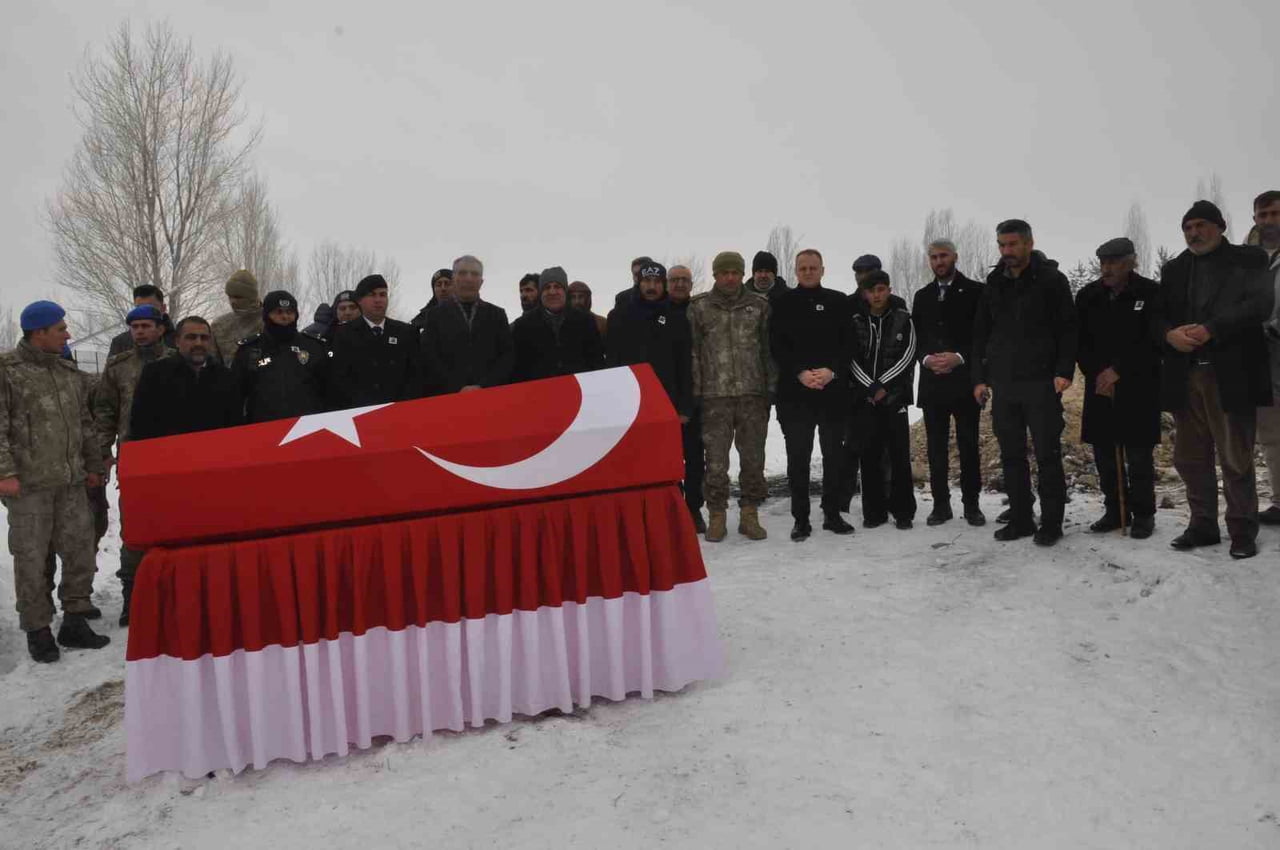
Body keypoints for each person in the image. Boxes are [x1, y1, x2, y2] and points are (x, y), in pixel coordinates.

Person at [1157, 200, 1274, 559]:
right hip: (1186, 374)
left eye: (1201, 225)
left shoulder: (1249, 259)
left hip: (1231, 374)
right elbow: (1157, 316)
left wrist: (1212, 328)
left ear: (1220, 227)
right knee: (1191, 459)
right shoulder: (1174, 269)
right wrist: (1169, 335)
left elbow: (1260, 305)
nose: (1194, 233)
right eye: (1188, 227)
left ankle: (1242, 529)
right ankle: (1202, 525)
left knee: (1235, 457)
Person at [1, 301, 110, 662]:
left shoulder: (67, 372)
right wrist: (5, 472)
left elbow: (85, 424)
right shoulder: (8, 372)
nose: (67, 334)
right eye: (60, 329)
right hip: (29, 487)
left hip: (71, 483)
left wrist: (93, 465)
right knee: (31, 559)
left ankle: (75, 619)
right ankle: (37, 629)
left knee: (81, 550)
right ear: (39, 332)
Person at [973, 219, 1077, 546]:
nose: (1007, 251)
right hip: (1004, 384)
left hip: (1041, 382)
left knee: (1047, 454)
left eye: (1012, 244)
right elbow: (981, 334)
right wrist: (979, 379)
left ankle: (1052, 523)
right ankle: (1020, 519)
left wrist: (1064, 370)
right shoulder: (994, 283)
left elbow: (1068, 329)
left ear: (1029, 244)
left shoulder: (1051, 280)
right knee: (1011, 455)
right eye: (1002, 245)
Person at [1075, 238, 1162, 540]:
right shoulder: (1089, 296)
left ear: (1130, 262)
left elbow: (1153, 341)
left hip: (1139, 386)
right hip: (1100, 386)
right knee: (1104, 454)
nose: (1107, 268)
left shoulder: (1150, 293)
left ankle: (1144, 514)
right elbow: (1079, 341)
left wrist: (1119, 371)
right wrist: (1098, 372)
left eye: (1113, 262)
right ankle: (1114, 509)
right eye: (1103, 262)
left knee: (1138, 455)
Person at [93, 304, 173, 625]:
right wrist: (103, 452)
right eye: (135, 326)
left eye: (146, 326)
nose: (139, 332)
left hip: (175, 458)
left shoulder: (177, 362)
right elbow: (105, 413)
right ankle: (133, 596)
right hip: (135, 458)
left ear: (160, 329)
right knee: (135, 529)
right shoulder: (118, 367)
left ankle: (172, 592)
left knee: (175, 524)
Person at [689, 251, 776, 542]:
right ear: (715, 275)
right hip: (714, 398)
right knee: (715, 462)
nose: (729, 278)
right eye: (724, 273)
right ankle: (717, 514)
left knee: (753, 459)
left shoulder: (759, 306)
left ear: (742, 274)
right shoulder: (699, 308)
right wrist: (697, 391)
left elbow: (768, 350)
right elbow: (693, 353)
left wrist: (770, 388)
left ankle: (749, 514)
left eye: (735, 272)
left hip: (752, 395)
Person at [769, 248, 854, 540]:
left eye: (813, 267)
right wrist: (800, 372)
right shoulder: (782, 303)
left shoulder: (838, 301)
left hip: (832, 393)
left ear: (822, 270)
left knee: (833, 456)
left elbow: (849, 344)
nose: (808, 272)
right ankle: (801, 519)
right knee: (798, 459)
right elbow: (776, 345)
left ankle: (832, 514)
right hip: (795, 395)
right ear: (796, 271)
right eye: (803, 268)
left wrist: (832, 371)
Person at [912, 240, 986, 526]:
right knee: (936, 449)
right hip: (933, 383)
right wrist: (926, 359)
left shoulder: (976, 291)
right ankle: (941, 505)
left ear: (955, 256)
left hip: (965, 382)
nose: (939, 261)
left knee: (968, 447)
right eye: (933, 257)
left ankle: (972, 505)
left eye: (943, 256)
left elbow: (981, 336)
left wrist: (959, 357)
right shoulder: (922, 296)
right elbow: (916, 338)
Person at [849, 271, 917, 529]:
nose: (876, 295)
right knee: (869, 456)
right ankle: (874, 512)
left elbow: (908, 355)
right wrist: (870, 387)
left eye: (881, 289)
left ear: (889, 290)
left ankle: (903, 512)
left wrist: (883, 385)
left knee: (899, 457)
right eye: (871, 291)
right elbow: (851, 358)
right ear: (864, 294)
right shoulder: (856, 321)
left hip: (895, 399)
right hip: (866, 399)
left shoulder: (903, 319)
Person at [605, 261, 693, 436]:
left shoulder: (678, 319)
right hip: (629, 401)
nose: (652, 287)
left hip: (666, 400)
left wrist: (684, 408)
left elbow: (684, 365)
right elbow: (612, 362)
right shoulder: (618, 316)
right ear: (639, 283)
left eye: (657, 281)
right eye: (647, 281)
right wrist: (612, 402)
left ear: (664, 284)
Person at [130, 316, 244, 440]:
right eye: (191, 337)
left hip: (216, 449)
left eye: (204, 338)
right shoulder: (155, 374)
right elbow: (140, 424)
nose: (198, 343)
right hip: (167, 450)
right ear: (177, 341)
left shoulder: (226, 377)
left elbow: (235, 426)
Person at [232, 290, 331, 424]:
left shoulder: (314, 346)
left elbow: (329, 390)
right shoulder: (249, 350)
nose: (285, 316)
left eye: (289, 312)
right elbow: (236, 395)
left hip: (308, 427)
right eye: (278, 312)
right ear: (266, 315)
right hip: (263, 428)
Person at [835, 253, 886, 510]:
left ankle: (883, 498)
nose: (862, 277)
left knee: (883, 447)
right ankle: (842, 500)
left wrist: (884, 384)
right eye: (858, 273)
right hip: (854, 387)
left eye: (867, 272)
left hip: (885, 387)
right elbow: (844, 347)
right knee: (851, 446)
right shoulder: (847, 305)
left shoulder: (894, 304)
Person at [421, 255, 514, 394]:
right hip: (447, 397)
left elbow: (507, 357)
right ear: (454, 278)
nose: (469, 278)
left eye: (474, 274)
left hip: (490, 395)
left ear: (481, 282)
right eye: (463, 273)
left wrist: (484, 386)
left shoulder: (497, 315)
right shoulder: (434, 316)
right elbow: (429, 357)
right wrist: (456, 387)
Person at [328, 274, 423, 408]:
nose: (378, 300)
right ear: (360, 301)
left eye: (382, 295)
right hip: (360, 412)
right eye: (372, 295)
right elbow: (339, 379)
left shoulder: (406, 332)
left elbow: (415, 376)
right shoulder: (344, 335)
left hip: (400, 410)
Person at [511, 267, 605, 382]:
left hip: (579, 388)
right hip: (538, 390)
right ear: (541, 293)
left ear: (565, 291)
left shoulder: (585, 321)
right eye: (547, 287)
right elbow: (518, 369)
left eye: (557, 286)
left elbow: (596, 362)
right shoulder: (523, 325)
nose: (552, 292)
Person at [667, 265, 707, 532]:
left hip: (698, 395)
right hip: (667, 397)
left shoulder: (700, 310)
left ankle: (693, 508)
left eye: (684, 280)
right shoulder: (658, 312)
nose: (680, 284)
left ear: (691, 284)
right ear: (667, 283)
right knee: (669, 459)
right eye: (674, 280)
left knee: (695, 458)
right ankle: (674, 509)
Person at [1249, 190, 1280, 526]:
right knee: (1272, 435)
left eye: (1275, 213)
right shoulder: (1245, 257)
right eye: (1263, 214)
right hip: (1259, 357)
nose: (1269, 220)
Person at [210, 269, 263, 365]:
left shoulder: (270, 321)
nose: (233, 301)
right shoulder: (220, 326)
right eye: (230, 297)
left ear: (252, 297)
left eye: (238, 297)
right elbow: (214, 364)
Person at [106, 284, 175, 356]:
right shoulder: (120, 343)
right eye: (139, 308)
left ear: (163, 308)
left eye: (150, 308)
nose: (144, 312)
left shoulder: (178, 339)